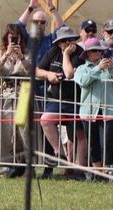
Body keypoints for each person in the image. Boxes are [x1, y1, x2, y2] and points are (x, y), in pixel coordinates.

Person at [36, 26, 87, 179]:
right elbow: (36, 71)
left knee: (79, 134)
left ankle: (80, 170)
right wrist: (48, 74)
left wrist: (66, 54)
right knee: (45, 120)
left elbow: (69, 74)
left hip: (77, 100)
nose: (69, 42)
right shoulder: (52, 51)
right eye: (65, 41)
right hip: (57, 99)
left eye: (71, 39)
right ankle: (61, 155)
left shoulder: (80, 53)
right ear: (58, 42)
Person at [0, 23, 31, 177]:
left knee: (22, 128)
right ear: (6, 37)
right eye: (11, 37)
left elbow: (31, 70)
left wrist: (20, 57)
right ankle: (5, 164)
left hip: (23, 91)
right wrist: (6, 55)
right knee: (5, 128)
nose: (14, 40)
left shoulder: (26, 52)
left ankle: (27, 164)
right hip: (6, 92)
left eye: (17, 37)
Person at [74, 38, 113, 173]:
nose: (98, 53)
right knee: (93, 143)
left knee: (107, 142)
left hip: (109, 110)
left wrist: (112, 69)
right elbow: (82, 81)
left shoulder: (112, 67)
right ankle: (97, 171)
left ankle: (108, 170)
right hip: (89, 110)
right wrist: (97, 69)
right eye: (94, 50)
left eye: (100, 50)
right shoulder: (81, 68)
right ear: (87, 53)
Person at [16, 0, 63, 64]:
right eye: (36, 21)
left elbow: (62, 29)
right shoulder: (26, 38)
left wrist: (51, 6)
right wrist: (30, 8)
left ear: (46, 24)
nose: (39, 24)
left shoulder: (50, 40)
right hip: (27, 73)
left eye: (42, 22)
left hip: (44, 74)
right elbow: (17, 27)